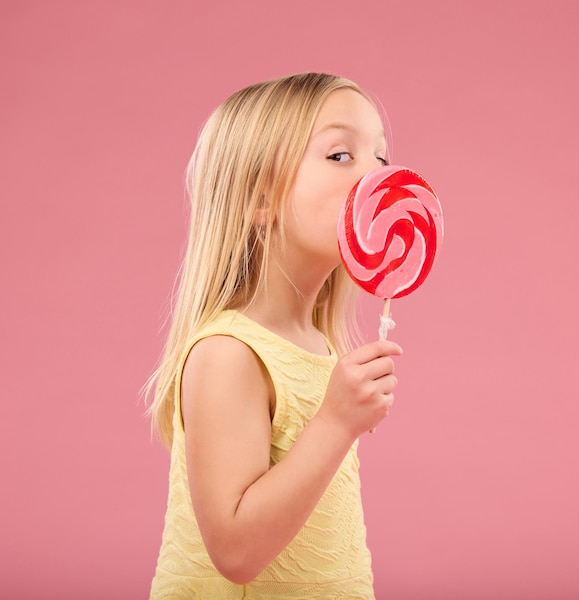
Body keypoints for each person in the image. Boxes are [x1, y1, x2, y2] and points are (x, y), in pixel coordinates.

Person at [147, 72, 402, 599]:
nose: (377, 176)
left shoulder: (316, 343)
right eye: (339, 155)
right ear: (260, 198)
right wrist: (336, 423)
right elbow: (237, 551)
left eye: (379, 157)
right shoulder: (228, 354)